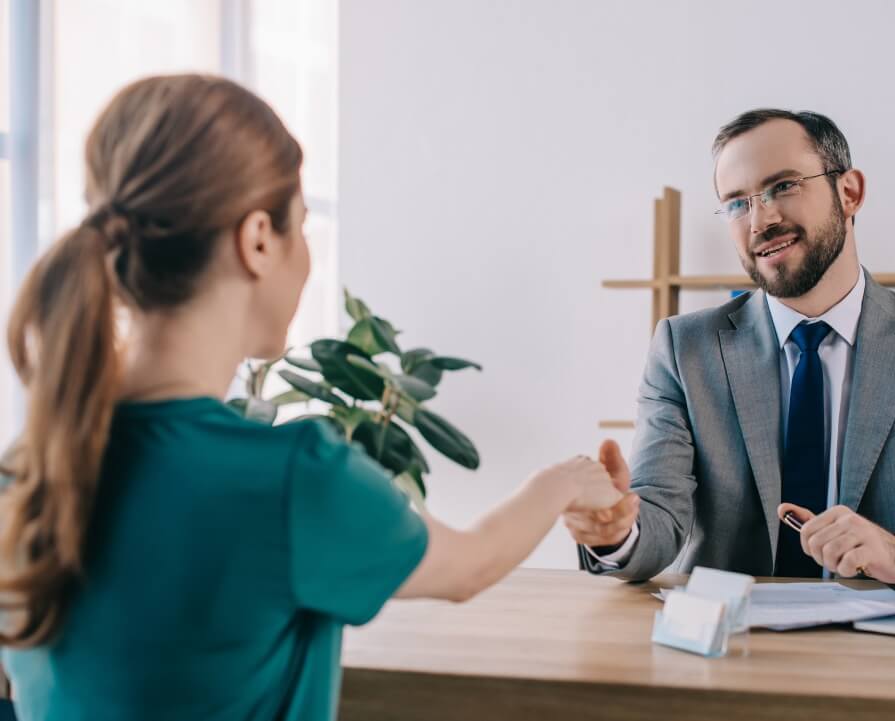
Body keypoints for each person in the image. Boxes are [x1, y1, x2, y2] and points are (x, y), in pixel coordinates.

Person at [0, 74, 622, 721]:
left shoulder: (29, 470)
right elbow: (468, 566)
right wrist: (562, 484)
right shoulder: (291, 477)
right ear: (259, 239)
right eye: (302, 230)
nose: (307, 261)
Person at [565, 108, 895, 597]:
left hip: (885, 657)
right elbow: (657, 516)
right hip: (726, 649)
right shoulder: (684, 349)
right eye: (737, 202)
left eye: (783, 186)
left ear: (849, 192)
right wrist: (616, 532)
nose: (760, 219)